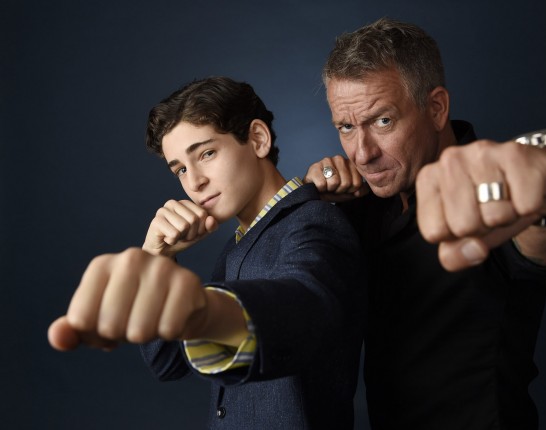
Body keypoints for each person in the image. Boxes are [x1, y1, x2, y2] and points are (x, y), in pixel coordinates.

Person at [304, 18, 546, 429]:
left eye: (383, 121)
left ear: (436, 108)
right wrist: (310, 205)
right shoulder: (358, 205)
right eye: (346, 127)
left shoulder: (493, 188)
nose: (362, 153)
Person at [48, 76, 366, 429]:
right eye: (181, 169)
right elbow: (167, 363)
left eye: (206, 153)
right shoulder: (236, 247)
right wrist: (157, 257)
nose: (194, 182)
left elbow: (306, 303)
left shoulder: (314, 220)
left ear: (258, 139)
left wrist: (207, 311)